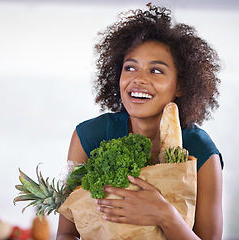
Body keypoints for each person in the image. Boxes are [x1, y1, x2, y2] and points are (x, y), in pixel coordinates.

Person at [56, 4, 223, 240]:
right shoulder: (89, 136)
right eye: (130, 67)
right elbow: (66, 233)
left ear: (181, 86)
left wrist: (165, 214)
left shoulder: (201, 150)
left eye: (156, 71)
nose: (138, 79)